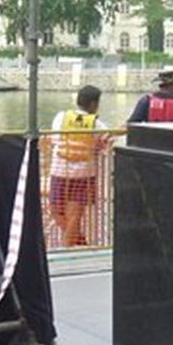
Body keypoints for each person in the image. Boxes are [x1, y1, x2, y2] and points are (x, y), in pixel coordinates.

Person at [49, 85, 108, 247]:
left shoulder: (60, 117)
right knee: (74, 216)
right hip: (84, 175)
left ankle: (68, 247)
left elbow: (54, 140)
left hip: (59, 171)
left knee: (55, 210)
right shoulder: (97, 124)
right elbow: (103, 143)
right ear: (94, 104)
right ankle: (78, 243)